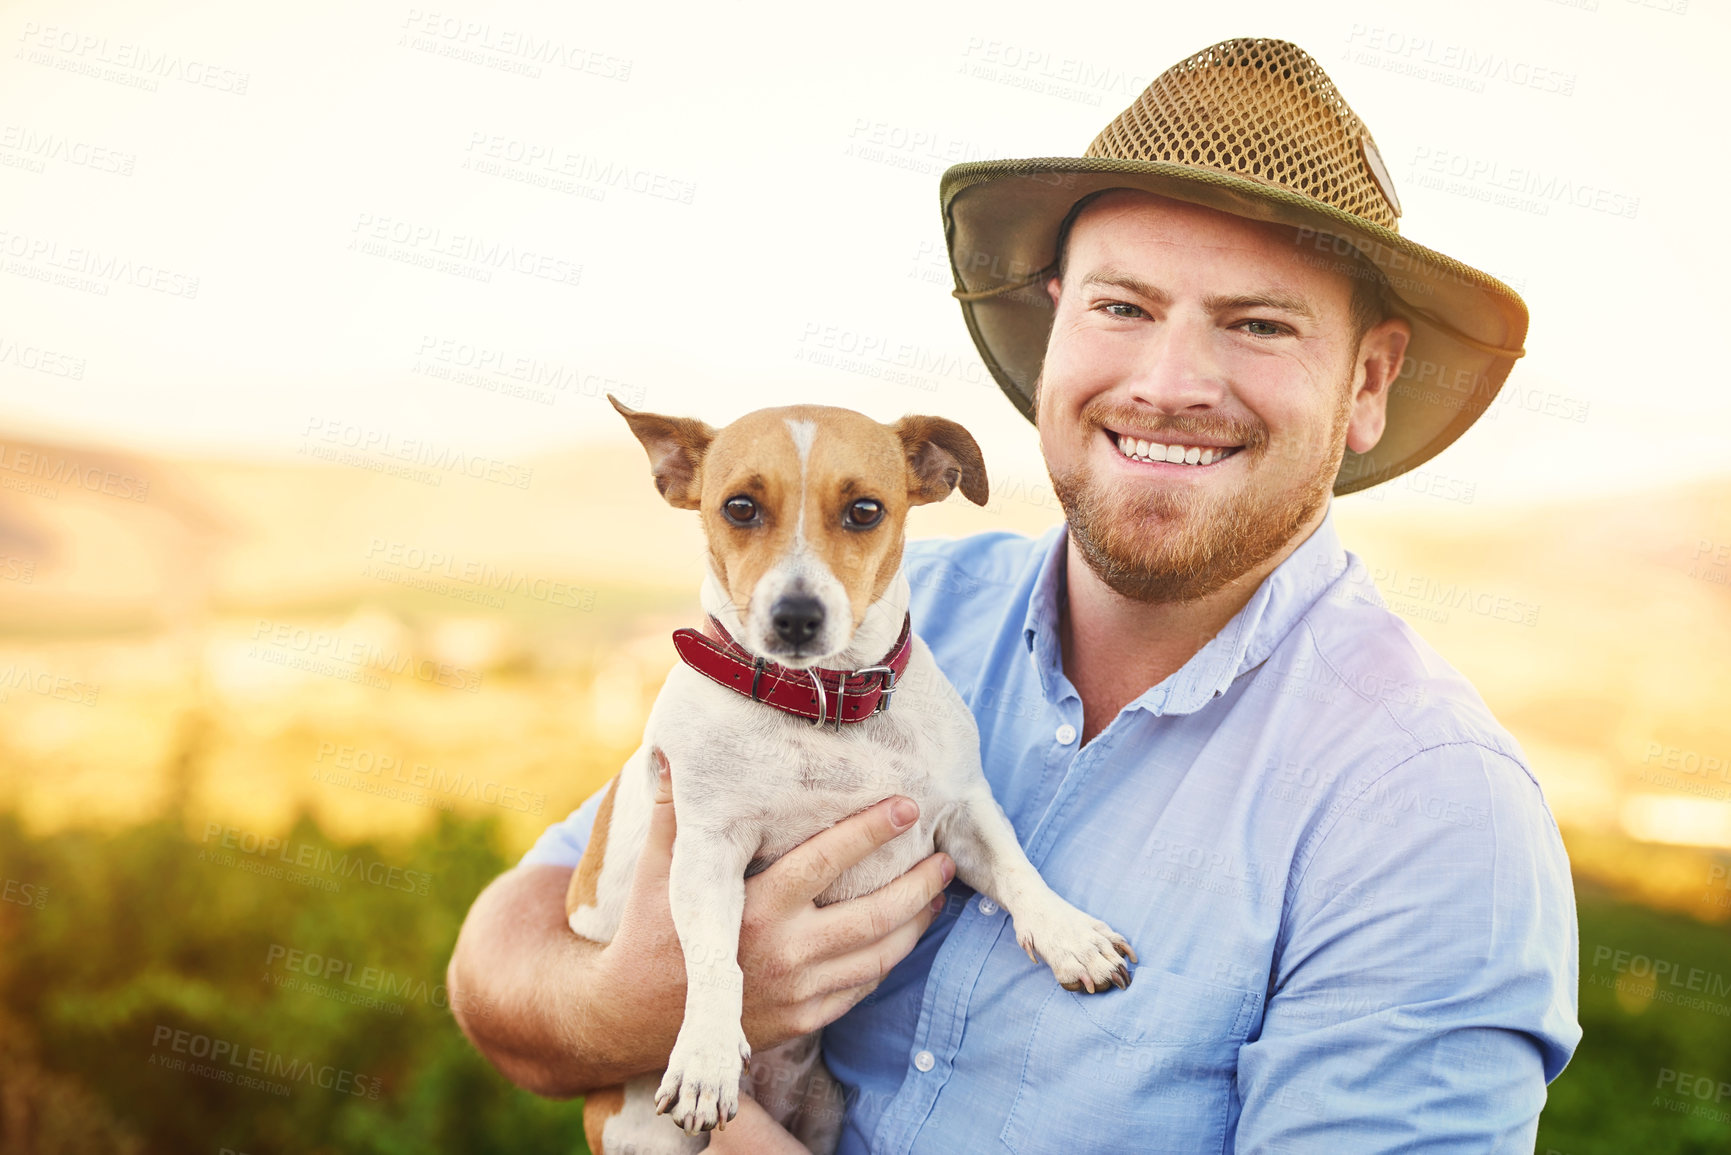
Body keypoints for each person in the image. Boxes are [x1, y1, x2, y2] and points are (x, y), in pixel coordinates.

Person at [447, 37, 1581, 1152]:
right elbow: (510, 944)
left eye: (1257, 323)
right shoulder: (882, 614)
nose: (1168, 384)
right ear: (1052, 331)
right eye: (1122, 308)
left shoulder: (1431, 817)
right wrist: (626, 1016)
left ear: (1370, 381)